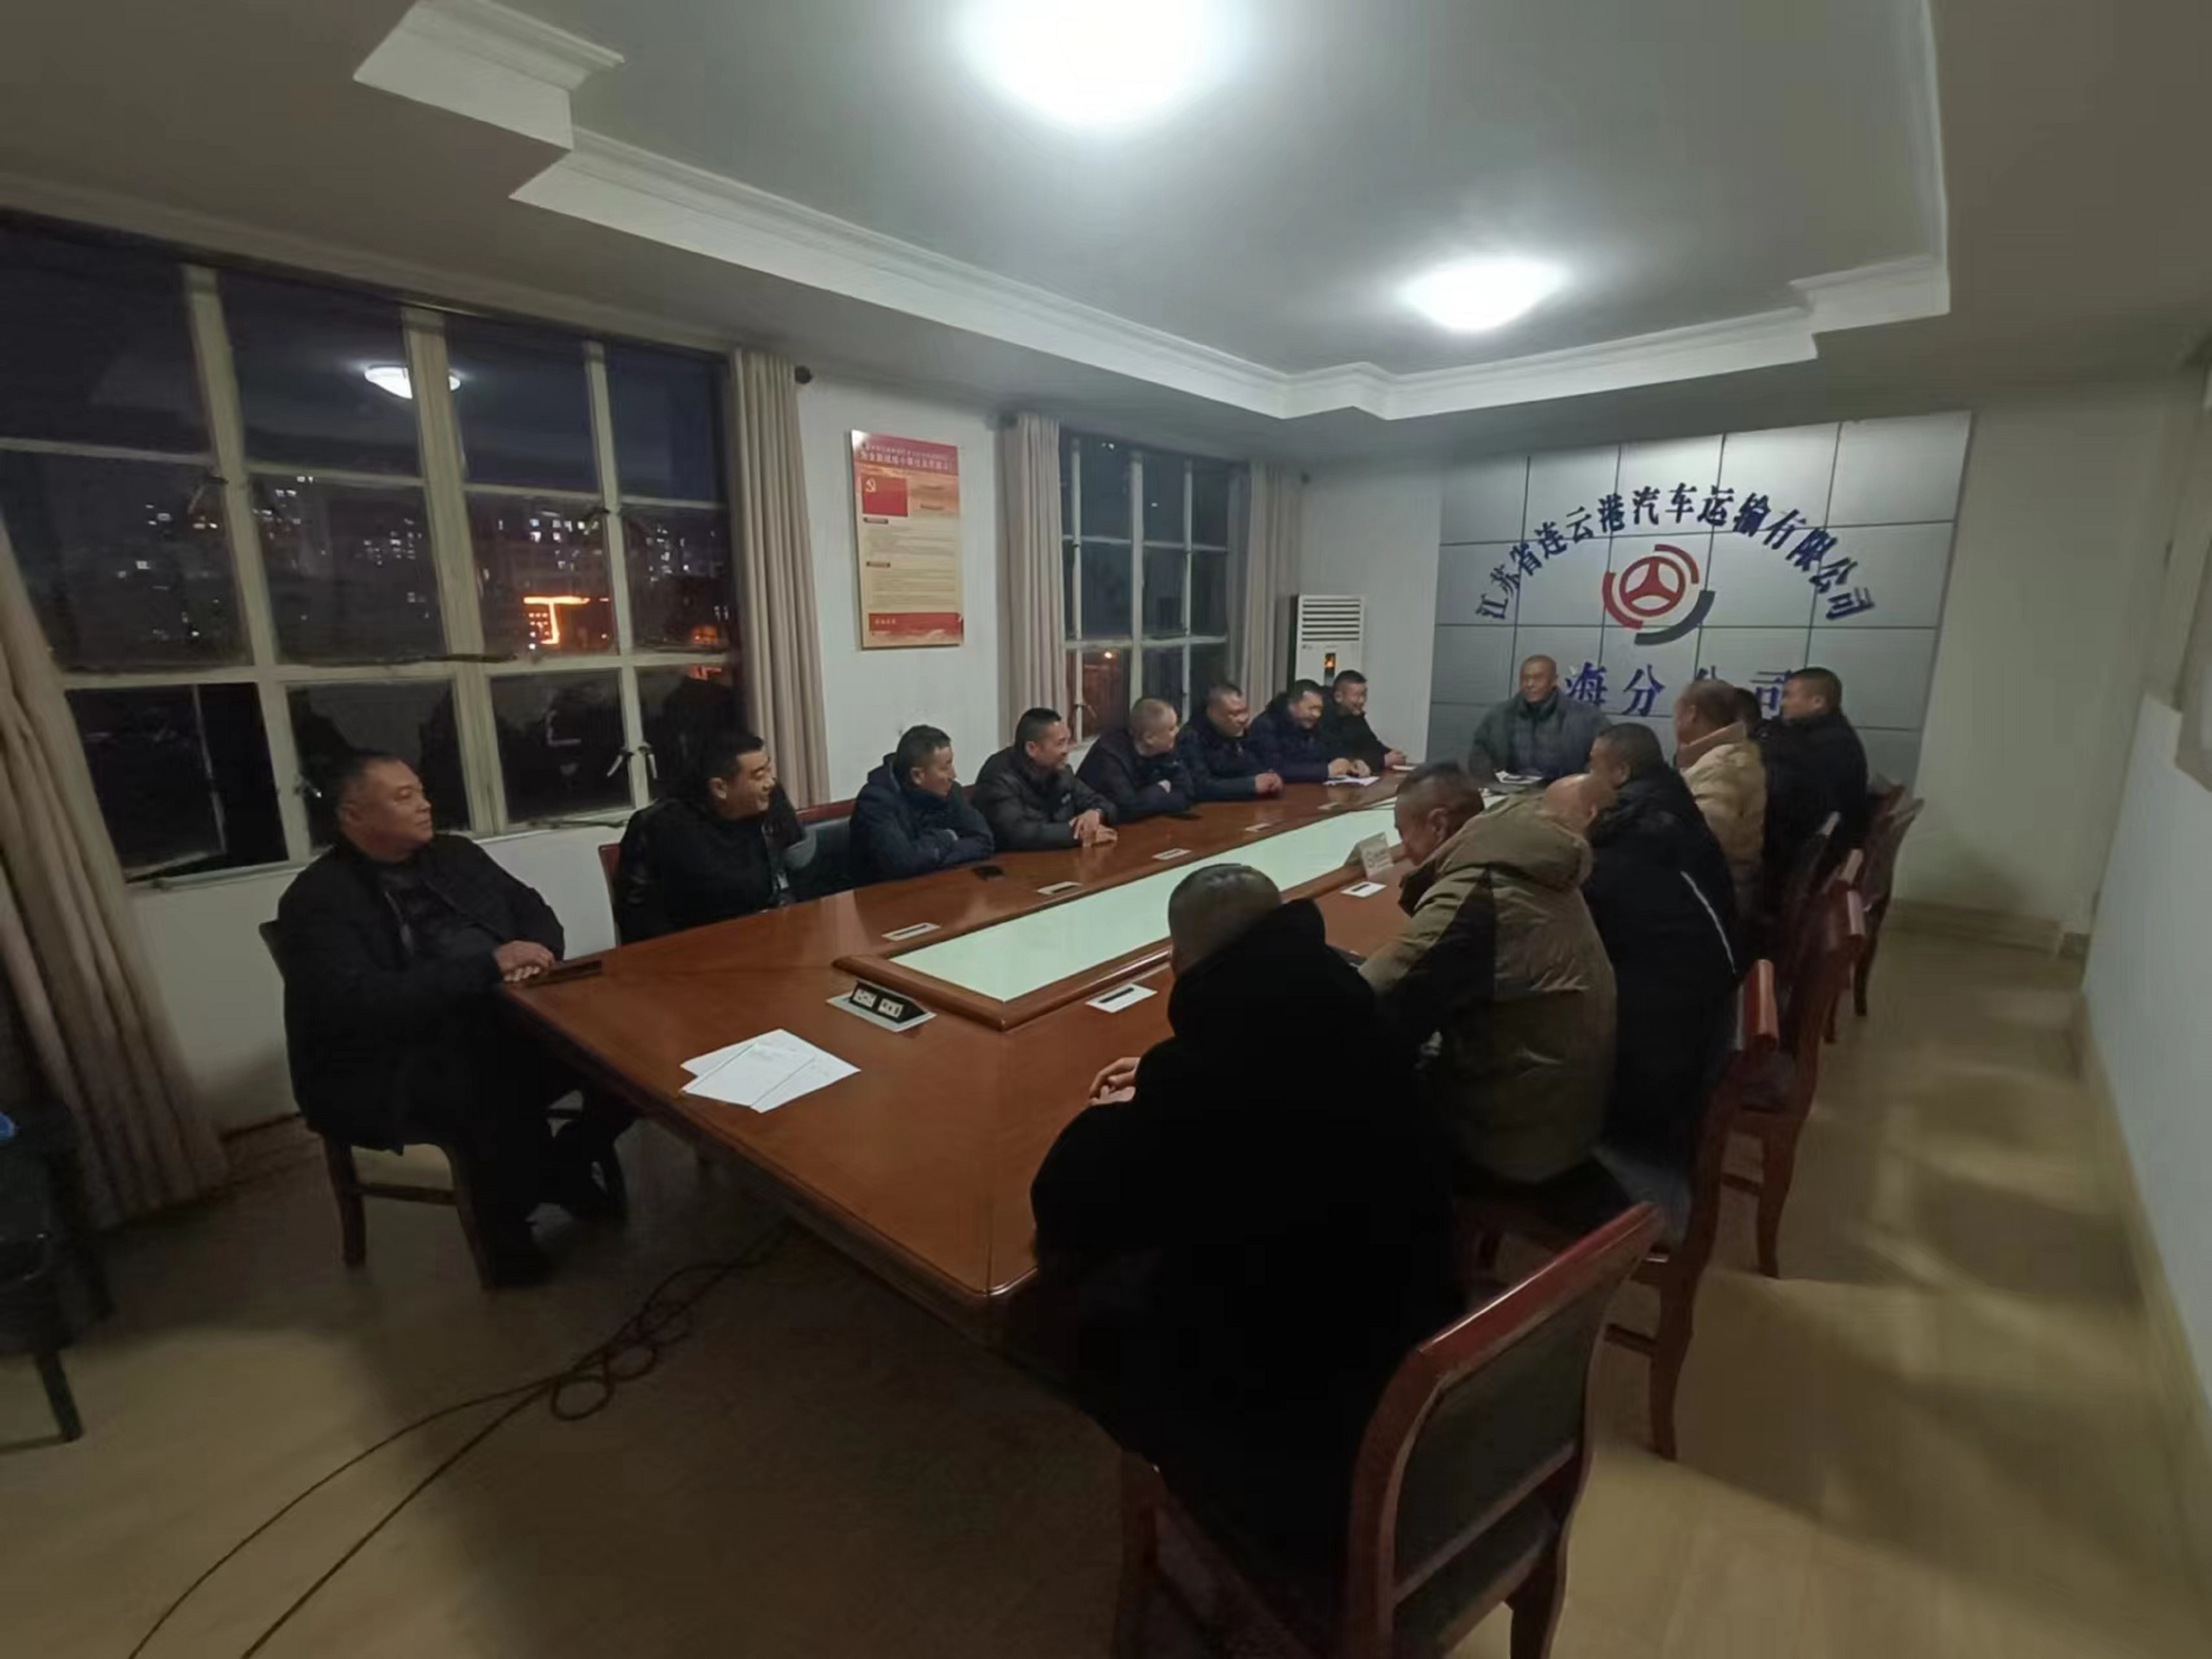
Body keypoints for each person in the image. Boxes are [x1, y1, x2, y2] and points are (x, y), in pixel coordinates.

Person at [1030, 865, 1460, 1569]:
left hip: (1305, 1412)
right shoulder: (1353, 1005)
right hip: (1410, 1330)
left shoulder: (1207, 1079)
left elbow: (1064, 1197)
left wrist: (1137, 1105)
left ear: (1179, 959)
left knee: (1067, 1307)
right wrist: (1164, 1074)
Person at [275, 752, 629, 1285]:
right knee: (490, 1083)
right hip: (393, 1058)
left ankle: (562, 1165)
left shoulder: (454, 854)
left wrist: (536, 952)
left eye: (421, 792)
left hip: (504, 1013)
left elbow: (530, 909)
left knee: (623, 1055)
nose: (425, 805)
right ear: (353, 815)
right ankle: (506, 1234)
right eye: (404, 797)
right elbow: (360, 1002)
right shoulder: (317, 900)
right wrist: (488, 966)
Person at [1361, 761, 1616, 1186]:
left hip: (1515, 1139)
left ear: (1438, 824)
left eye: (1404, 833)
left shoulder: (1479, 892)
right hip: (1568, 1110)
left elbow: (1369, 1000)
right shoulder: (1524, 857)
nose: (1404, 849)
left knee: (1348, 1085)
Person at [1582, 727, 1741, 1166]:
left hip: (1668, 1045)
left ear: (1620, 772)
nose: (1586, 770)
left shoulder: (1636, 835)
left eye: (1592, 763)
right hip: (1704, 995)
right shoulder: (1662, 804)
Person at [613, 729, 806, 942]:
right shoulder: (661, 826)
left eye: (769, 770)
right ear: (720, 788)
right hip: (692, 950)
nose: (770, 783)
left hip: (764, 940)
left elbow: (795, 877)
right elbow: (637, 920)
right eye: (759, 776)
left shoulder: (770, 804)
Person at [1671, 678, 1768, 923]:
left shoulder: (1719, 767)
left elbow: (1706, 844)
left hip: (1719, 892)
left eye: (1677, 714)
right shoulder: (1736, 751)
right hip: (1731, 881)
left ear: (1692, 714)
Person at [850, 724, 994, 884]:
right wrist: (947, 837)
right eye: (945, 768)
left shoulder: (950, 792)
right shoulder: (875, 802)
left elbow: (984, 842)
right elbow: (904, 864)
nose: (953, 775)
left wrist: (931, 856)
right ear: (918, 775)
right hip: (884, 895)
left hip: (938, 886)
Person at [1759, 667, 1872, 864]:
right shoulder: (1828, 734)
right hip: (1820, 843)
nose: (1783, 703)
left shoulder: (1824, 744)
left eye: (1789, 696)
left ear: (1818, 702)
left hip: (1807, 853)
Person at [970, 707, 1119, 851]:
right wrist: (1077, 834)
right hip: (1015, 862)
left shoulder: (1062, 771)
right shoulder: (998, 778)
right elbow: (1015, 834)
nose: (1067, 750)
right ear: (1032, 749)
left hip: (1061, 857)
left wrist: (1096, 814)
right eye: (1060, 744)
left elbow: (1106, 805)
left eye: (1068, 742)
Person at [1466, 655, 1609, 782]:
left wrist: (1581, 786)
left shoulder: (1587, 716)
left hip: (1565, 793)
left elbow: (1606, 757)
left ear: (1554, 681)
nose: (1530, 685)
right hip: (1509, 792)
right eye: (1525, 679)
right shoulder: (1500, 715)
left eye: (1538, 678)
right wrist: (1493, 786)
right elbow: (1479, 754)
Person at [1075, 697, 1194, 822]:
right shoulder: (1109, 756)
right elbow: (1128, 809)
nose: (1177, 732)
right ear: (1149, 738)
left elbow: (1187, 794)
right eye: (1171, 729)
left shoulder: (1165, 748)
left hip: (1149, 824)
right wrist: (1161, 789)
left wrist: (1150, 799)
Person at [1176, 682, 1286, 801]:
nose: (1243, 719)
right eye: (1234, 714)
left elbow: (1252, 765)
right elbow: (1200, 787)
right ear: (1211, 712)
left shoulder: (1237, 731)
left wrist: (1270, 778)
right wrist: (1251, 785)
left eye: (1245, 711)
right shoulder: (1191, 738)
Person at [1248, 679, 1363, 783]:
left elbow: (1331, 749)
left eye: (1320, 709)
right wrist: (1326, 771)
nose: (1317, 715)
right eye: (1312, 709)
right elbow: (1276, 769)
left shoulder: (1314, 723)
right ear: (1292, 705)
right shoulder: (1266, 725)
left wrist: (1350, 763)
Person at [1317, 669, 1406, 774]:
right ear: (1338, 697)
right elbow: (1339, 756)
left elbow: (1370, 743)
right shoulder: (1323, 716)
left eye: (1364, 695)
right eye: (1357, 696)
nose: (1362, 701)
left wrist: (1391, 754)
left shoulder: (1355, 714)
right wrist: (1382, 761)